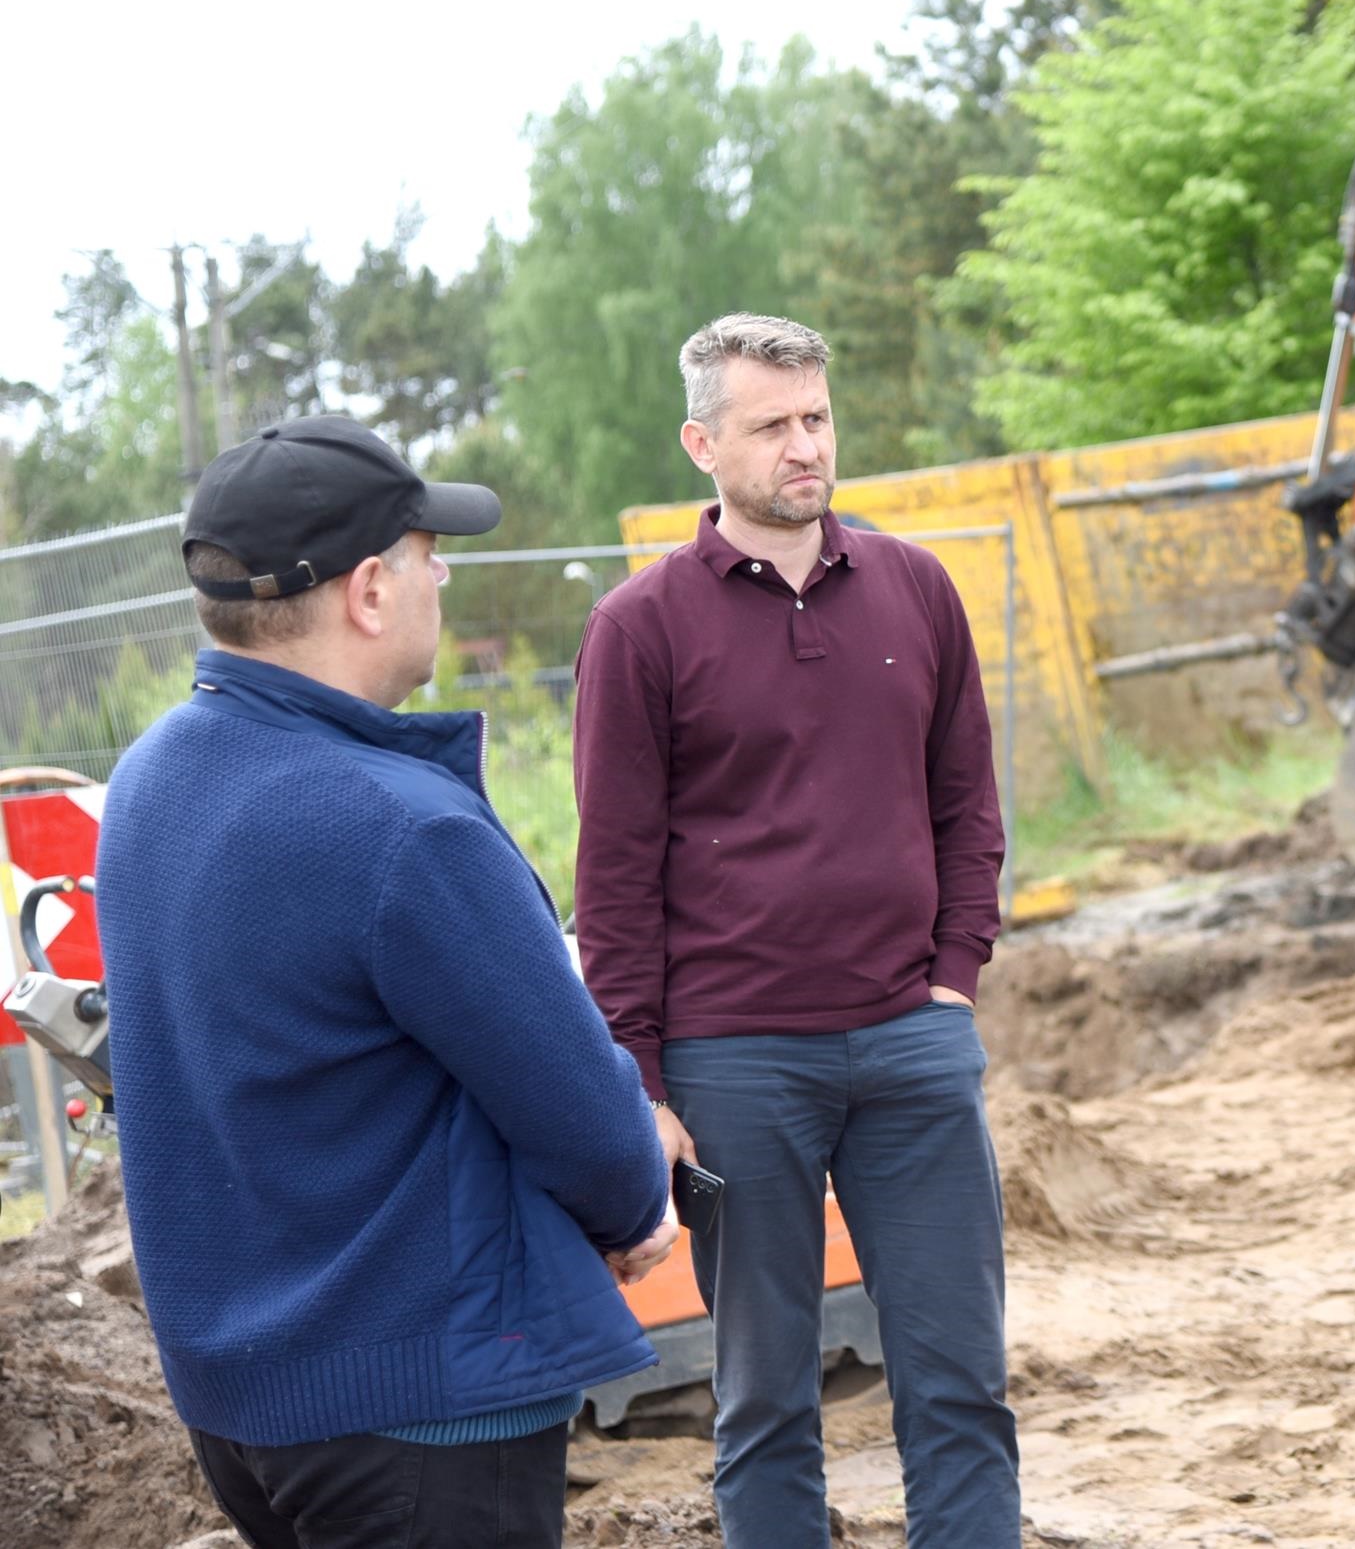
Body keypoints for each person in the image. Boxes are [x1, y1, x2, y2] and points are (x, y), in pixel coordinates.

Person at [95, 415, 674, 1549]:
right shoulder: (401, 831)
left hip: (243, 1400)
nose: (440, 575)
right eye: (427, 553)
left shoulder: (149, 782)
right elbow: (580, 1109)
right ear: (369, 591)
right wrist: (634, 1197)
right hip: (422, 1398)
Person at [572, 313, 1018, 1549]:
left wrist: (955, 977)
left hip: (911, 1045)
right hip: (735, 1066)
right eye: (771, 425)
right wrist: (644, 1080)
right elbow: (611, 877)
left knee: (961, 1382)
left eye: (815, 417)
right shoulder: (640, 629)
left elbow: (966, 802)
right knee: (766, 1398)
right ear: (701, 444)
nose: (803, 446)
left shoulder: (916, 587)